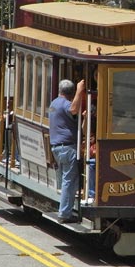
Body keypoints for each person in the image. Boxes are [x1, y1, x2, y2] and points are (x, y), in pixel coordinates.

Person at [49, 79, 85, 223]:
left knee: (67, 180)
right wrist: (80, 90)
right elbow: (73, 110)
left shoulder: (53, 103)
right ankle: (64, 214)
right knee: (68, 181)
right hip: (67, 147)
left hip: (57, 147)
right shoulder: (65, 104)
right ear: (70, 93)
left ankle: (68, 208)